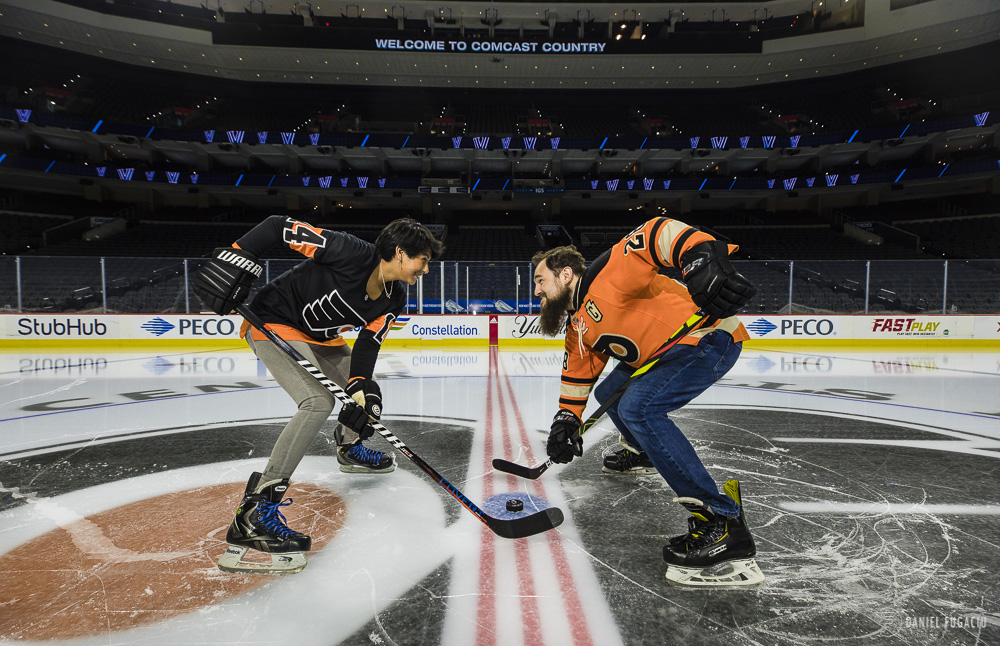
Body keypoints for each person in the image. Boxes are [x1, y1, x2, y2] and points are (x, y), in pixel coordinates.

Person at [193, 215, 443, 574]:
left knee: (367, 400)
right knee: (317, 402)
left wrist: (359, 385)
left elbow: (369, 344)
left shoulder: (395, 296)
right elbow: (279, 225)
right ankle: (254, 513)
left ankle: (349, 446)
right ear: (401, 253)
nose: (426, 269)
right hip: (274, 320)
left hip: (322, 339)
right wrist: (235, 256)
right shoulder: (349, 251)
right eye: (424, 261)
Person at [531, 217, 765, 588]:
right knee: (610, 394)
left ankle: (723, 525)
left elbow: (655, 232)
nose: (537, 292)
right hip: (664, 354)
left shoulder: (605, 275)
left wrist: (701, 257)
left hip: (708, 337)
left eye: (541, 281)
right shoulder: (577, 323)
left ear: (566, 275)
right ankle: (642, 451)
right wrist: (566, 421)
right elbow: (578, 375)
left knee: (639, 407)